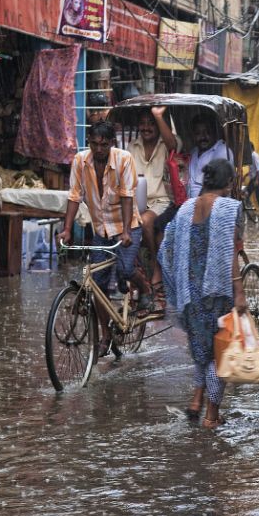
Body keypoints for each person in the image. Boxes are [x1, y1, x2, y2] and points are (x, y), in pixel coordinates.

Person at [158, 159, 248, 429]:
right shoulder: (230, 208)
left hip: (190, 294)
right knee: (219, 353)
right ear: (230, 183)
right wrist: (239, 290)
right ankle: (211, 415)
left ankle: (196, 402)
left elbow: (166, 249)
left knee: (202, 350)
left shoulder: (185, 208)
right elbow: (231, 252)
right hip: (218, 292)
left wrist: (176, 282)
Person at [59, 121, 148, 355]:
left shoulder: (124, 159)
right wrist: (67, 229)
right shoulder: (80, 161)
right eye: (94, 144)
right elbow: (74, 196)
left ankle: (144, 288)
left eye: (104, 145)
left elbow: (128, 196)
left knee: (126, 269)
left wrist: (127, 231)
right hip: (100, 230)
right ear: (89, 141)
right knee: (97, 285)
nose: (99, 149)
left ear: (112, 144)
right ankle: (106, 336)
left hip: (126, 226)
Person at [129, 106, 181, 316]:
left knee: (146, 221)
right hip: (137, 200)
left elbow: (173, 145)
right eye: (143, 124)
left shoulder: (166, 142)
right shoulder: (132, 146)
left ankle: (154, 265)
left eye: (151, 124)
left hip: (162, 201)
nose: (146, 128)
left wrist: (159, 117)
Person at [187, 116, 232, 198]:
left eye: (207, 132)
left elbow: (213, 187)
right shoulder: (194, 152)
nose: (203, 137)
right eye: (198, 133)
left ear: (214, 132)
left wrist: (194, 206)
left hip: (210, 205)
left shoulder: (222, 151)